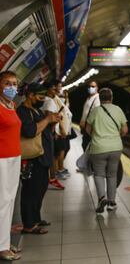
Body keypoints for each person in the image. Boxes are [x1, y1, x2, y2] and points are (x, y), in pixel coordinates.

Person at [17, 82, 61, 235]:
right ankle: (28, 225)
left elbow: (45, 128)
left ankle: (36, 218)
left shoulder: (35, 110)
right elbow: (30, 131)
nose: (42, 99)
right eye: (40, 96)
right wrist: (48, 120)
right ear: (30, 95)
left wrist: (53, 121)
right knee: (30, 191)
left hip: (42, 157)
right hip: (31, 159)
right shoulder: (22, 111)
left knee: (40, 188)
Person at [85, 88, 128, 213]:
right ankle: (112, 202)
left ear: (100, 98)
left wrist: (96, 136)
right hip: (115, 147)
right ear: (111, 97)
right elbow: (125, 130)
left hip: (98, 148)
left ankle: (102, 197)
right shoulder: (118, 109)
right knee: (112, 175)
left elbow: (87, 129)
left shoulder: (95, 111)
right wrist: (115, 137)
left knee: (98, 174)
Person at [0, 71, 22, 261]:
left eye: (14, 83)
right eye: (7, 83)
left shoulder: (11, 105)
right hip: (1, 160)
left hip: (13, 158)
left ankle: (4, 242)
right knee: (2, 203)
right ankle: (1, 247)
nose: (11, 87)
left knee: (9, 202)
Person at [80, 80, 100, 151]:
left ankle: (88, 161)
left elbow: (96, 114)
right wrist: (82, 121)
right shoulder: (88, 98)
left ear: (97, 88)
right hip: (86, 127)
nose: (91, 88)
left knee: (88, 147)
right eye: (89, 86)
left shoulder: (97, 99)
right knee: (84, 146)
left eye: (93, 86)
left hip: (91, 128)